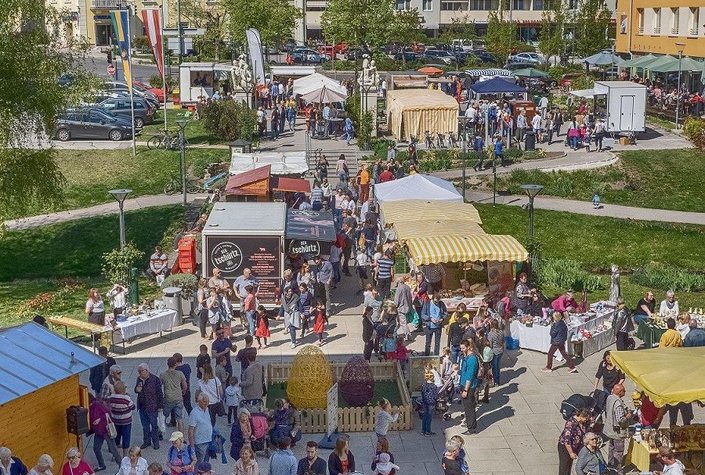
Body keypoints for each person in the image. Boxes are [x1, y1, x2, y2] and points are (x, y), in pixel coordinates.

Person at [603, 383, 632, 473]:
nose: (625, 392)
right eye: (624, 390)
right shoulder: (618, 404)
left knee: (611, 449)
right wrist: (628, 416)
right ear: (620, 392)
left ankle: (610, 467)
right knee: (618, 452)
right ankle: (617, 471)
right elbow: (621, 420)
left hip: (610, 430)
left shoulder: (610, 397)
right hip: (618, 433)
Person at [135, 363, 163, 450]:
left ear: (147, 371)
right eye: (139, 371)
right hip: (142, 406)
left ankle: (156, 442)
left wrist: (160, 406)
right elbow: (136, 390)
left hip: (152, 407)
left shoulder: (155, 379)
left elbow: (159, 393)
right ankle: (147, 441)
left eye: (141, 371)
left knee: (154, 426)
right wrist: (136, 389)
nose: (140, 373)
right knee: (145, 425)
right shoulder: (139, 379)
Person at [558, 408, 591, 475]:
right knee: (564, 467)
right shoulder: (571, 423)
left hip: (574, 446)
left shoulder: (581, 423)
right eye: (586, 418)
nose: (587, 420)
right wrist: (571, 453)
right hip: (565, 448)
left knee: (569, 466)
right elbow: (567, 441)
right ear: (581, 416)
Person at [109, 380, 136, 457]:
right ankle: (125, 455)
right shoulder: (126, 398)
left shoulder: (111, 397)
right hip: (126, 421)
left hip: (116, 420)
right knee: (126, 437)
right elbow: (132, 407)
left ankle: (116, 455)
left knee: (117, 437)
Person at [161, 356, 187, 433]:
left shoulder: (163, 375)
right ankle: (181, 436)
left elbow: (159, 386)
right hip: (178, 398)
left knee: (163, 417)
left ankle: (160, 433)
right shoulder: (180, 374)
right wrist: (183, 391)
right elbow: (185, 386)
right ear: (175, 364)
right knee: (179, 418)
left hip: (168, 398)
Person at [459, 339, 479, 435]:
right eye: (461, 348)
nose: (462, 350)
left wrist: (465, 390)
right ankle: (469, 423)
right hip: (464, 384)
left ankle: (471, 428)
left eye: (463, 348)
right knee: (467, 407)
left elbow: (470, 376)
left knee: (469, 407)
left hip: (469, 387)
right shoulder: (467, 357)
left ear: (468, 347)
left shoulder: (471, 359)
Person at [188, 394, 213, 464]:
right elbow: (190, 430)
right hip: (199, 443)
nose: (206, 403)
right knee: (199, 463)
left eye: (208, 401)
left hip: (208, 441)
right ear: (199, 401)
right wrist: (192, 445)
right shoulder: (194, 413)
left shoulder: (207, 409)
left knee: (206, 463)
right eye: (204, 401)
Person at [420, 371, 438, 436]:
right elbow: (435, 395)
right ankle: (428, 431)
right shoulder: (434, 386)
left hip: (424, 402)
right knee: (429, 417)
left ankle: (423, 430)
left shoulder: (423, 385)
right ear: (432, 377)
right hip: (431, 403)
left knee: (424, 416)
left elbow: (422, 393)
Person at [487, 319, 504, 386]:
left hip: (494, 351)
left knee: (494, 367)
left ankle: (496, 381)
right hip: (500, 351)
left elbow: (490, 345)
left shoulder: (491, 334)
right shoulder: (501, 332)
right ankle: (498, 380)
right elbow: (503, 341)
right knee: (498, 366)